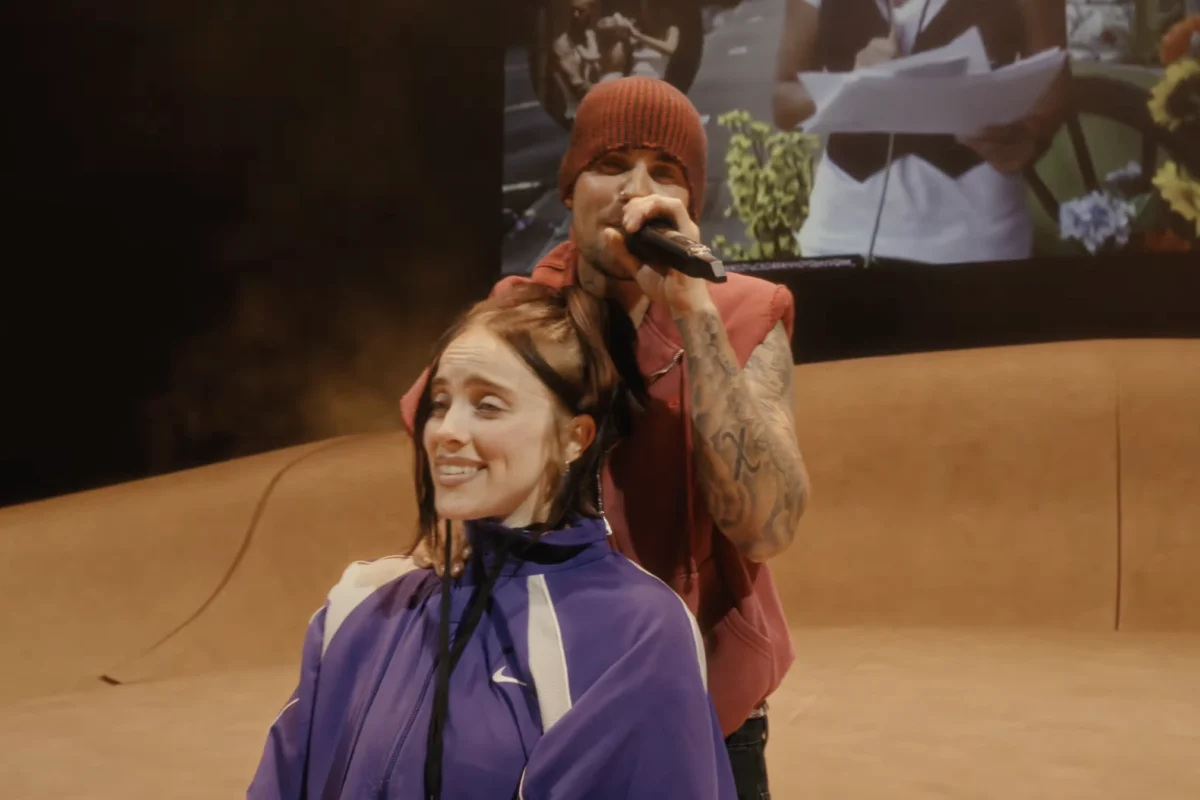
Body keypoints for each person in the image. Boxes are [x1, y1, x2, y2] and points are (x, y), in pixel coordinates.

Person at [401, 76, 811, 799]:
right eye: (611, 164)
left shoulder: (745, 311)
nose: (636, 189)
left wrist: (692, 307)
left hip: (705, 708)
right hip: (555, 695)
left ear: (690, 202)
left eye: (665, 172)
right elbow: (445, 480)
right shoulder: (519, 316)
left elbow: (765, 526)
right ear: (570, 188)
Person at [248, 283, 737, 799]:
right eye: (440, 403)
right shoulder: (360, 604)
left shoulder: (636, 634)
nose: (446, 430)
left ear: (575, 439)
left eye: (487, 406)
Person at [772, 0, 1070, 264]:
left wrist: (1033, 135)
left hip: (977, 237)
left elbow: (1055, 79)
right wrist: (851, 82)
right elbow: (784, 103)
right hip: (840, 233)